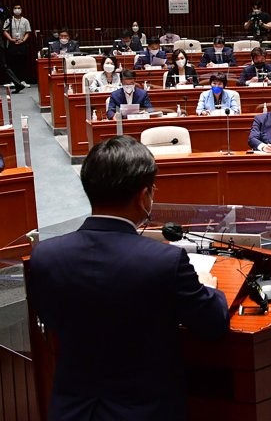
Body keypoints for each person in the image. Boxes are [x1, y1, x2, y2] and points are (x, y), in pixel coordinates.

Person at [28, 135, 229, 420]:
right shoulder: (164, 261)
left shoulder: (45, 257)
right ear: (143, 195)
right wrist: (209, 288)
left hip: (72, 411)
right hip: (145, 411)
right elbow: (213, 323)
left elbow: (50, 319)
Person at [3, 3, 32, 83]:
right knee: (12, 63)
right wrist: (11, 39)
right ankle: (13, 81)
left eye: (19, 8)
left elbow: (27, 32)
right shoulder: (9, 20)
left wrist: (23, 40)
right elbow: (5, 31)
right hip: (12, 44)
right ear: (13, 10)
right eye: (15, 8)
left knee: (22, 63)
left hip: (22, 44)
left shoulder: (25, 20)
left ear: (21, 10)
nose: (17, 10)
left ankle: (22, 80)